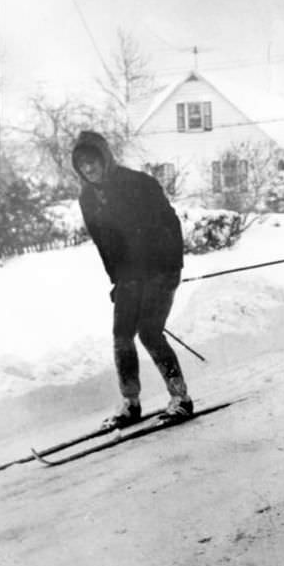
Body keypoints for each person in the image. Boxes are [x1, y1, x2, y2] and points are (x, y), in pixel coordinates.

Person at [71, 130, 193, 428]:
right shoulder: (87, 198)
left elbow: (169, 223)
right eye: (82, 164)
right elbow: (104, 244)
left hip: (159, 268)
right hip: (128, 275)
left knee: (149, 332)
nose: (88, 168)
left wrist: (168, 267)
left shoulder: (138, 183)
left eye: (93, 161)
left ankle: (181, 398)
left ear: (105, 158)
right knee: (122, 334)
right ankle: (130, 402)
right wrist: (117, 279)